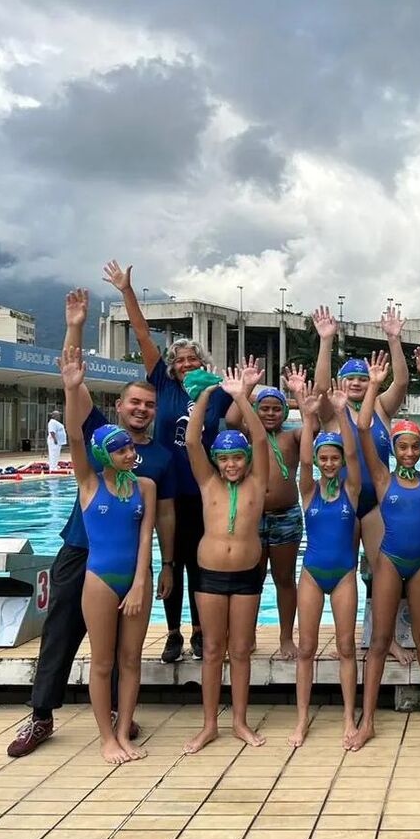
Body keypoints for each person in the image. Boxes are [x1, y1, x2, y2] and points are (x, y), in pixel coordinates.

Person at [8, 289, 176, 760]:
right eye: (134, 403)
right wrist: (76, 325)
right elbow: (73, 386)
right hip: (81, 550)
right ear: (120, 408)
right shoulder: (102, 435)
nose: (142, 409)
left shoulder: (158, 458)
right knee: (60, 631)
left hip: (130, 558)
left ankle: (122, 718)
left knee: (125, 645)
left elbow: (161, 515)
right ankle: (41, 715)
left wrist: (165, 565)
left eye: (149, 404)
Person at [104, 259, 233, 664]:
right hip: (164, 489)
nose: (185, 365)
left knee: (202, 563)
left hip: (204, 492)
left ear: (203, 364)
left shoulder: (217, 394)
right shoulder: (162, 385)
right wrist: (127, 291)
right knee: (169, 562)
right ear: (172, 367)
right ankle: (174, 632)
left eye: (192, 360)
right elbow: (142, 334)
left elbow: (242, 425)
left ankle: (200, 631)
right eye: (179, 361)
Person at [351, 349, 420, 750]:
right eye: (403, 447)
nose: (409, 453)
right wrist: (374, 386)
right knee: (379, 641)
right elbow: (362, 430)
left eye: (414, 446)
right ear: (394, 449)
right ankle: (368, 720)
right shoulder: (382, 477)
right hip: (390, 561)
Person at [60, 346, 156, 765]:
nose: (130, 455)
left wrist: (139, 583)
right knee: (101, 662)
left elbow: (145, 539)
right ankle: (105, 738)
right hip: (98, 578)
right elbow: (76, 435)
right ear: (105, 456)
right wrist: (71, 389)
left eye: (130, 451)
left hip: (136, 579)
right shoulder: (88, 482)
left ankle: (124, 731)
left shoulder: (145, 487)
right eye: (121, 452)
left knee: (131, 660)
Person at [315, 305, 412, 665]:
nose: (355, 384)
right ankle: (349, 640)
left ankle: (383, 639)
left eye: (361, 378)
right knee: (346, 572)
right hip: (339, 504)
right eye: (350, 379)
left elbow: (401, 382)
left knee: (383, 572)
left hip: (375, 505)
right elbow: (321, 386)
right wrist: (326, 341)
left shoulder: (383, 409)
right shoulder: (330, 413)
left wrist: (393, 338)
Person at [183, 367, 269, 754]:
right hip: (211, 575)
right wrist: (206, 394)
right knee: (214, 649)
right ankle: (208, 726)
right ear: (216, 461)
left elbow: (263, 440)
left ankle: (239, 722)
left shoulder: (257, 481)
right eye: (225, 459)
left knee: (241, 649)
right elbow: (191, 441)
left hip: (248, 575)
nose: (231, 464)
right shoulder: (208, 482)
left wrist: (241, 398)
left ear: (246, 459)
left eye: (237, 458)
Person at [289, 380, 361, 749]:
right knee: (306, 648)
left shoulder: (351, 489)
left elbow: (353, 455)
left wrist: (344, 413)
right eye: (324, 458)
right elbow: (302, 460)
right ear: (318, 462)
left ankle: (349, 716)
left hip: (345, 573)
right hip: (313, 573)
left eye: (334, 458)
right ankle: (302, 719)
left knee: (346, 647)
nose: (330, 463)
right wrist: (307, 416)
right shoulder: (309, 490)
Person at [227, 365, 304, 659]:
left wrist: (298, 394)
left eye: (276, 409)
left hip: (286, 516)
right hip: (253, 517)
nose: (270, 414)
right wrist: (244, 389)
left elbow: (315, 429)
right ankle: (248, 636)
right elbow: (232, 419)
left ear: (285, 413)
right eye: (265, 408)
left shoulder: (293, 437)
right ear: (256, 410)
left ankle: (286, 637)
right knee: (252, 578)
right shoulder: (247, 435)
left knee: (284, 578)